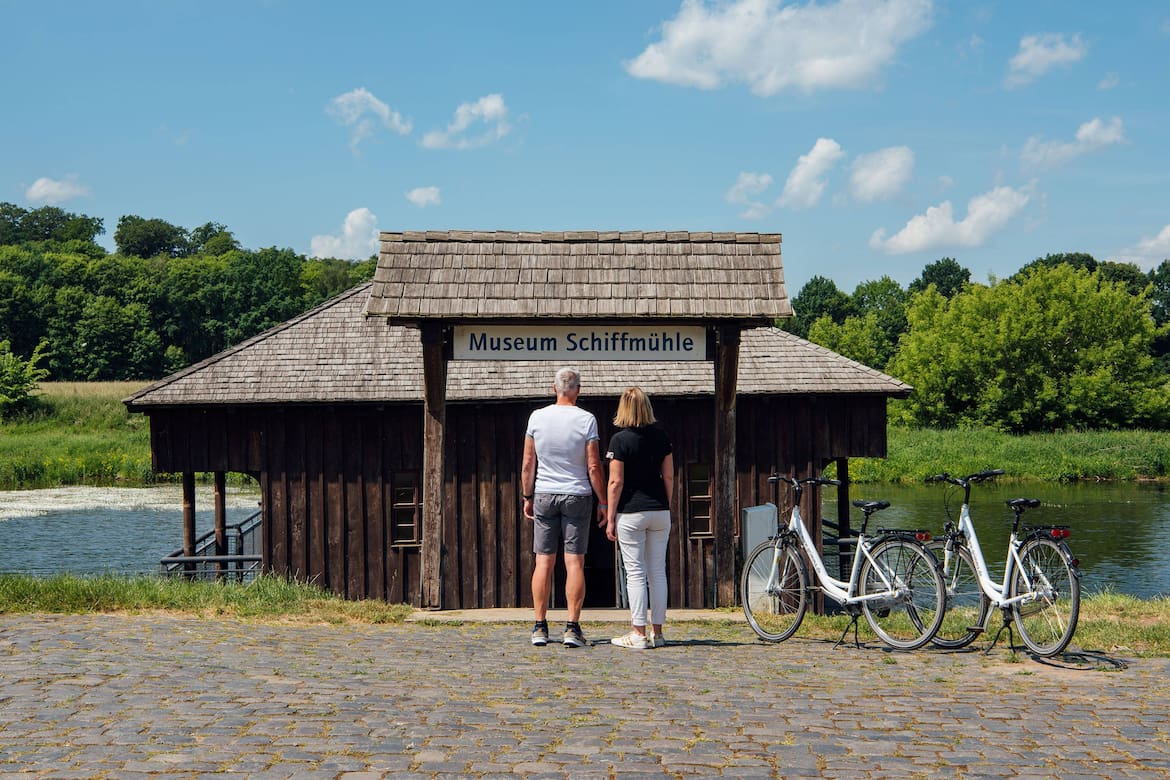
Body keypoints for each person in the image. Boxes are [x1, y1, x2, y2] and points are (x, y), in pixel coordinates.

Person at [521, 367, 607, 648]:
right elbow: (594, 465)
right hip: (577, 495)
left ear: (553, 388)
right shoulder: (587, 420)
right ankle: (572, 627)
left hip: (545, 492)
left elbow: (528, 463)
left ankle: (539, 626)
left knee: (543, 561)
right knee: (574, 561)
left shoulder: (537, 417)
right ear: (578, 390)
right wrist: (603, 500)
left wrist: (527, 495)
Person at [604, 387, 673, 650]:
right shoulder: (662, 437)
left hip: (631, 512)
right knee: (657, 572)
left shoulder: (619, 441)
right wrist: (666, 505)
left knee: (635, 573)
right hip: (659, 510)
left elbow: (615, 482)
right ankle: (658, 632)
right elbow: (668, 476)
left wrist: (610, 517)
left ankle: (638, 633)